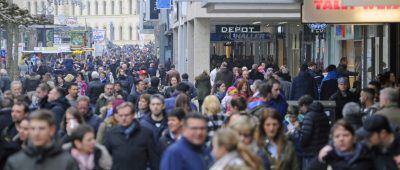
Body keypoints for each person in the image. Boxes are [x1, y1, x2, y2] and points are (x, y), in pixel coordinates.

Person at [4, 110, 79, 170]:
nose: (36, 133)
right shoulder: (15, 161)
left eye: (42, 128)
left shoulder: (67, 161)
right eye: (33, 129)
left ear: (52, 130)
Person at [103, 102, 159, 170]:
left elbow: (154, 161)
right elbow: (104, 158)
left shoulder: (146, 134)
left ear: (133, 115)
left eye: (126, 115)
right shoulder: (111, 133)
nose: (123, 118)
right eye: (121, 115)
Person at [307, 120, 374, 170]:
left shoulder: (366, 155)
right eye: (337, 136)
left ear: (354, 137)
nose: (341, 139)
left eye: (345, 135)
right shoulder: (326, 157)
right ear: (333, 140)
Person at [300, 102, 331, 169]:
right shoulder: (324, 115)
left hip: (310, 152)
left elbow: (305, 135)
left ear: (306, 106)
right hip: (322, 151)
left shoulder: (309, 116)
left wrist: (301, 145)